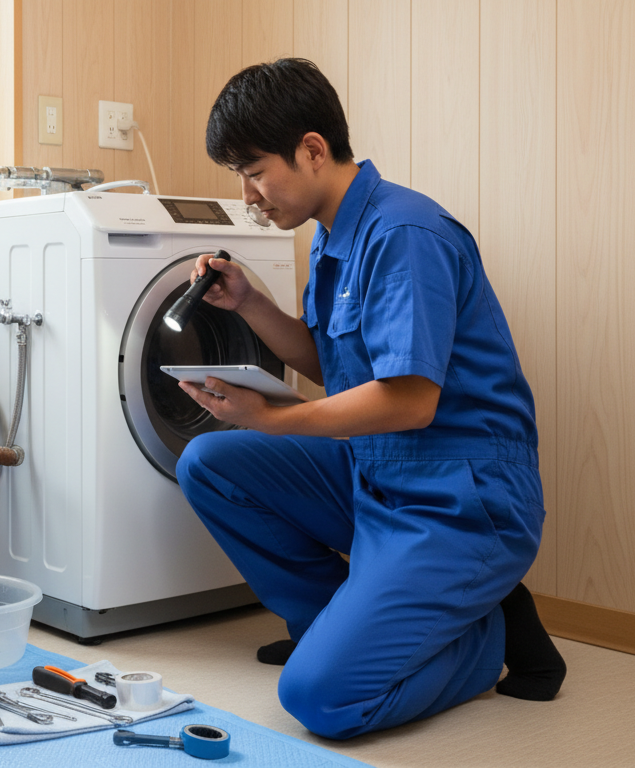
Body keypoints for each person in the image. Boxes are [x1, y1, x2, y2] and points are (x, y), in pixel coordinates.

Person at [175, 58, 566, 740]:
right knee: (210, 461)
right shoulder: (333, 239)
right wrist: (250, 306)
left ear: (313, 150)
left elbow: (410, 401)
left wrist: (274, 417)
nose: (248, 194)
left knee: (320, 700)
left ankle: (488, 638)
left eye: (254, 169)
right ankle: (337, 626)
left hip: (462, 500)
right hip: (381, 474)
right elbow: (336, 367)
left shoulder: (404, 233)